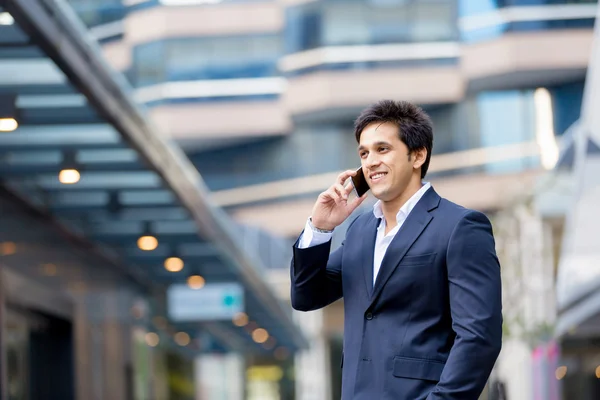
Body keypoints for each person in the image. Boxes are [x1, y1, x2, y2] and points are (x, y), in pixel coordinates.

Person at [290, 100, 503, 400]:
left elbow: (479, 337)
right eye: (364, 153)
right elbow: (305, 296)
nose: (370, 161)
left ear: (417, 155)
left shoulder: (461, 227)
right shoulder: (361, 231)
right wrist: (320, 228)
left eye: (382, 149)